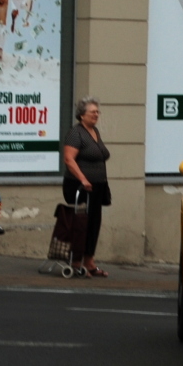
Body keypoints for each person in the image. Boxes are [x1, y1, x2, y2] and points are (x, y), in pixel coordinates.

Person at [62, 97, 111, 278]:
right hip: (81, 187)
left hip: (97, 187)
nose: (96, 115)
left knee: (94, 223)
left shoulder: (94, 131)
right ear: (82, 115)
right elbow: (69, 159)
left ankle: (89, 262)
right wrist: (83, 179)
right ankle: (76, 263)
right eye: (93, 112)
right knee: (82, 224)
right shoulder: (76, 133)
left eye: (97, 112)